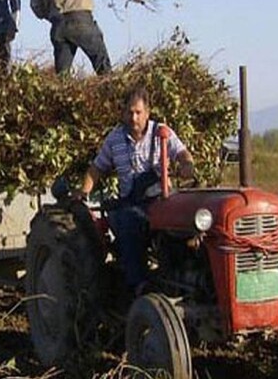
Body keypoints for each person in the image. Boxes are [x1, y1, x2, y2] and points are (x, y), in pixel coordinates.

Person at [74, 87, 194, 295]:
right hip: (131, 202)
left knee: (186, 225)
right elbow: (97, 168)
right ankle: (139, 285)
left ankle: (185, 276)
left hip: (160, 198)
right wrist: (83, 192)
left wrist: (186, 165)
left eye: (138, 112)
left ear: (147, 112)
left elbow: (183, 154)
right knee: (130, 222)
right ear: (123, 113)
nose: (134, 117)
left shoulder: (162, 132)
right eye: (130, 112)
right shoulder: (114, 139)